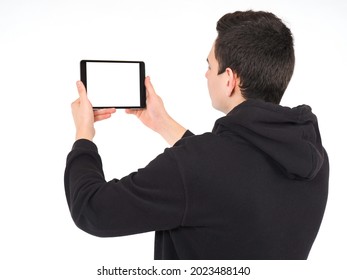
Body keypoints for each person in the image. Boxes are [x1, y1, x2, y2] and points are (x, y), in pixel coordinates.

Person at [64, 10, 329, 260]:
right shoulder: (313, 156)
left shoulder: (196, 166)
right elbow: (229, 172)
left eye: (210, 65)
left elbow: (93, 209)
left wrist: (83, 136)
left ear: (230, 80)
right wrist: (162, 122)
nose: (205, 74)